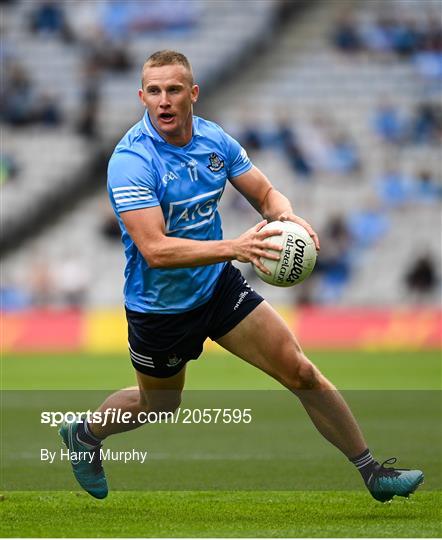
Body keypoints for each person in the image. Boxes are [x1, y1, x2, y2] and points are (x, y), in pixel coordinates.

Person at [60, 50, 423, 502]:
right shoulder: (132, 161)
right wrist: (237, 247)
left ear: (192, 93)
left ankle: (374, 472)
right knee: (160, 406)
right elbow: (154, 250)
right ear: (142, 97)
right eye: (154, 92)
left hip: (217, 286)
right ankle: (85, 436)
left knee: (301, 371)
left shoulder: (215, 141)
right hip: (160, 309)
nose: (164, 101)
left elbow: (266, 192)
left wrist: (287, 217)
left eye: (173, 89)